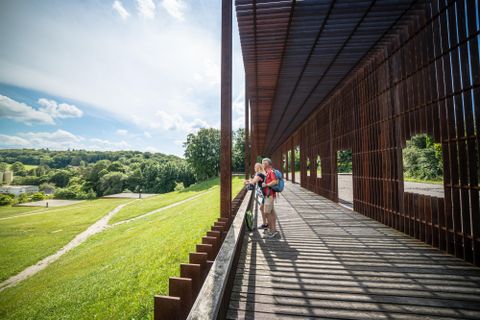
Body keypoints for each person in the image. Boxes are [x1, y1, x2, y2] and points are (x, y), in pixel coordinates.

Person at [244, 163, 268, 229]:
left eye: (255, 167)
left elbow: (253, 182)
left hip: (265, 194)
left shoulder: (259, 174)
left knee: (262, 208)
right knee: (264, 209)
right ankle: (266, 223)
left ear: (258, 167)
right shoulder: (261, 173)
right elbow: (253, 180)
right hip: (266, 193)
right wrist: (247, 181)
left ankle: (265, 224)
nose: (254, 168)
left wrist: (247, 182)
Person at [261, 158, 278, 238]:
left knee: (267, 213)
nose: (263, 164)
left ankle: (272, 231)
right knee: (271, 212)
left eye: (264, 163)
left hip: (269, 196)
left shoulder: (271, 172)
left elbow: (275, 181)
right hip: (269, 195)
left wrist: (266, 185)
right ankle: (274, 230)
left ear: (268, 164)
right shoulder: (268, 173)